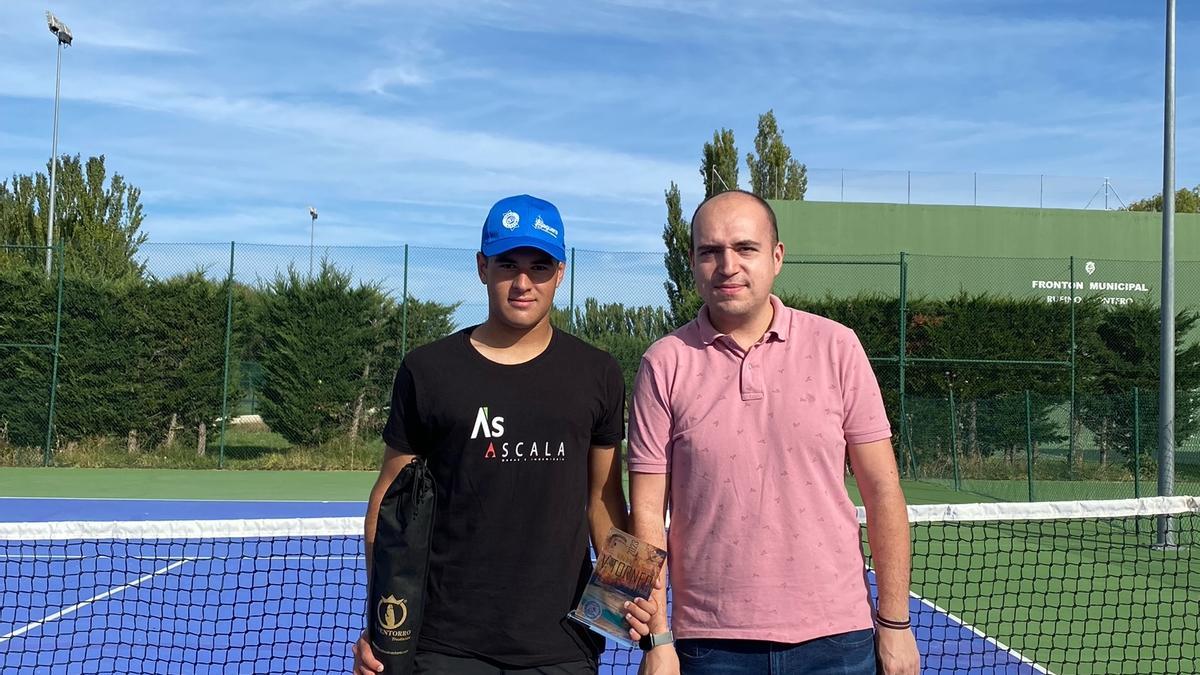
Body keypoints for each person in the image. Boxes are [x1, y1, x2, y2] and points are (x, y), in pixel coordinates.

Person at [353, 194, 656, 675]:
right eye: (507, 264)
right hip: (442, 646)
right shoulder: (428, 370)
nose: (522, 283)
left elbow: (603, 499)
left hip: (562, 646)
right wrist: (382, 621)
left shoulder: (597, 373)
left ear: (560, 273)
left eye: (539, 267)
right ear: (481, 267)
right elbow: (389, 500)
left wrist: (648, 629)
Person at [627, 190, 921, 675]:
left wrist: (895, 625)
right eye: (710, 251)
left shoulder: (838, 347)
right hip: (708, 646)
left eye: (745, 248)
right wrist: (657, 639)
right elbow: (647, 514)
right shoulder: (663, 363)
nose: (728, 266)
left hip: (839, 642)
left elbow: (883, 490)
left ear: (776, 257)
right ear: (693, 262)